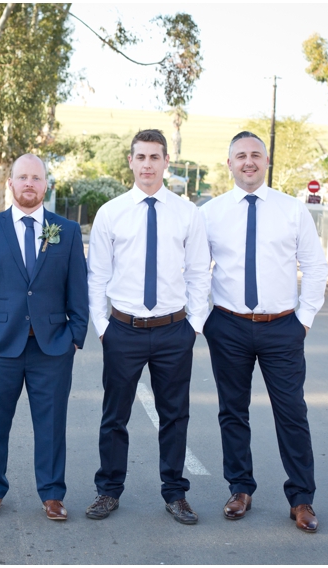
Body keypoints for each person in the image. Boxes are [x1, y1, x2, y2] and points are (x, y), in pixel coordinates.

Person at [199, 131, 328, 533]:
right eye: (240, 155)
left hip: (282, 327)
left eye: (255, 154)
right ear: (230, 164)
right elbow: (195, 271)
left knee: (292, 413)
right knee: (232, 412)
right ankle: (240, 489)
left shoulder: (292, 210)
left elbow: (315, 266)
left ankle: (301, 498)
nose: (248, 161)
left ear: (266, 161)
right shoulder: (210, 213)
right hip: (228, 326)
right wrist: (204, 320)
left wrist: (304, 319)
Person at [85, 129, 211, 525]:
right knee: (114, 416)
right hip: (123, 329)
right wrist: (102, 326)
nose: (147, 165)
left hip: (174, 330)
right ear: (131, 161)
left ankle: (175, 494)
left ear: (166, 162)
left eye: (155, 157)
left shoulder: (187, 213)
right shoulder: (111, 213)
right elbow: (97, 275)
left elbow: (199, 272)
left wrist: (194, 325)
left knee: (174, 415)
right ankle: (108, 490)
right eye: (141, 157)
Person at [0, 154, 88, 521]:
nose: (29, 183)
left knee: (52, 425)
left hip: (53, 346)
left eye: (36, 177)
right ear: (11, 183)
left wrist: (75, 335)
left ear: (46, 185)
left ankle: (52, 494)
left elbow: (78, 289)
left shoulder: (66, 231)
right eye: (22, 177)